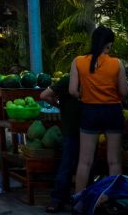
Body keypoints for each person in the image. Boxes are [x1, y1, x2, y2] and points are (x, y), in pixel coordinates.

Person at [70, 25, 128, 194]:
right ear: (109, 44)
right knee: (114, 162)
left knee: (85, 161)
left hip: (89, 111)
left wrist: (85, 96)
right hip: (112, 112)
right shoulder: (117, 63)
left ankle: (79, 202)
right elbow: (124, 91)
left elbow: (72, 90)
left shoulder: (78, 61)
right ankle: (113, 200)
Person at [41, 73, 82, 213]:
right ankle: (58, 199)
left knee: (75, 164)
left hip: (86, 128)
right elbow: (44, 95)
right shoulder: (69, 79)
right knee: (68, 164)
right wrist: (60, 105)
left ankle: (76, 198)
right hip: (73, 129)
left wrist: (59, 105)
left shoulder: (88, 78)